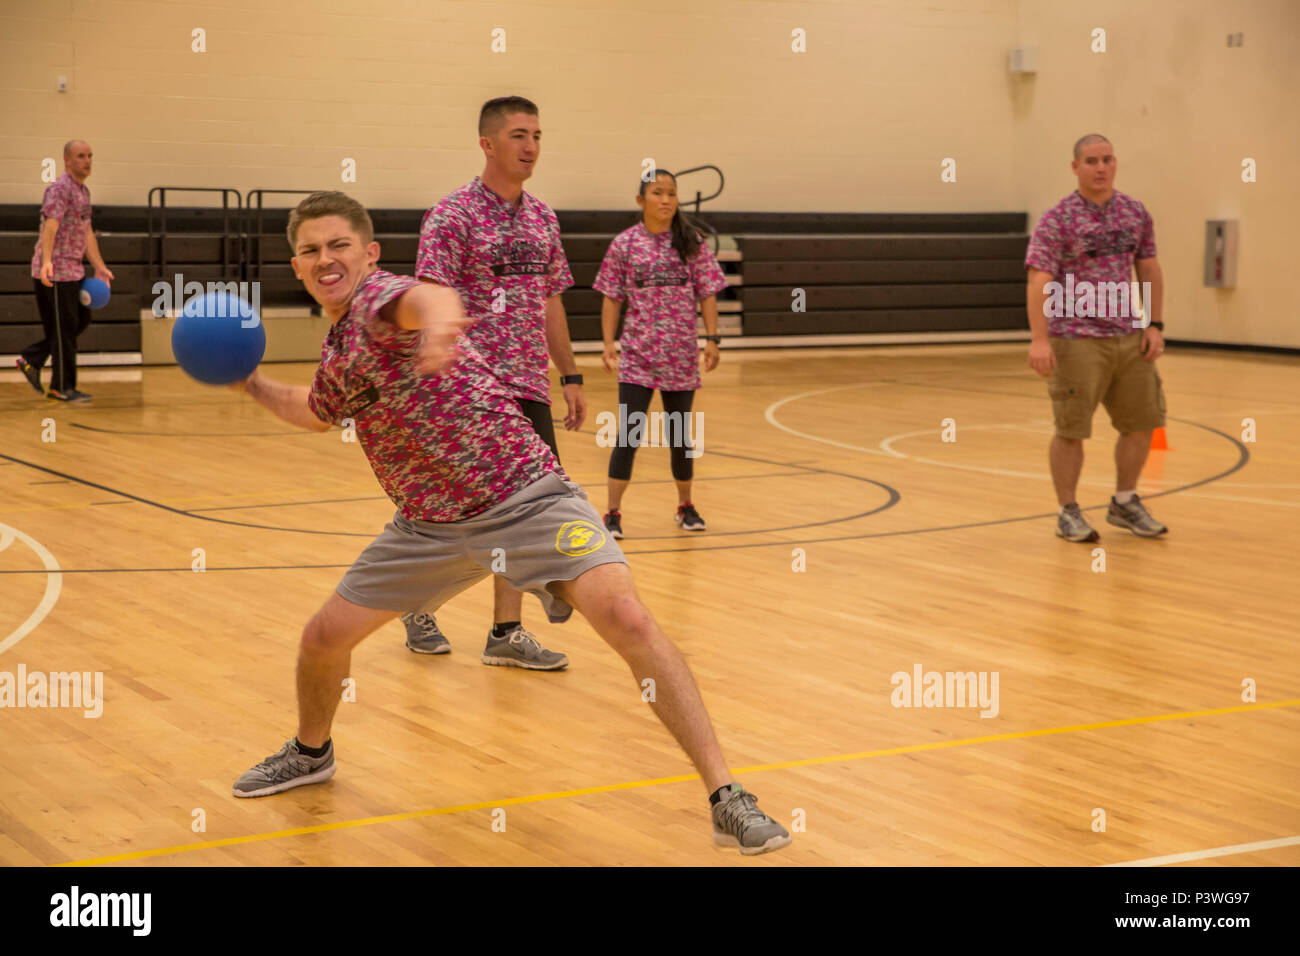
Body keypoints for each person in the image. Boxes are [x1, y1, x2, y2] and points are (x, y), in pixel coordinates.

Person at [229, 191, 791, 856]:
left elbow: (428, 299)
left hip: (528, 499)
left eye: (338, 244)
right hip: (429, 526)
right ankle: (311, 751)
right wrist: (250, 383)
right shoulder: (340, 346)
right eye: (310, 250)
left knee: (630, 619)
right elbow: (319, 411)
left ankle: (728, 796)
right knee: (323, 638)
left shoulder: (386, 296)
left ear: (369, 253)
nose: (326, 258)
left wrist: (439, 325)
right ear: (296, 266)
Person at [399, 96, 582, 667]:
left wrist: (570, 374)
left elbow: (551, 302)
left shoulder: (544, 217)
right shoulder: (451, 216)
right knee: (452, 511)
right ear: (488, 144)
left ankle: (506, 631)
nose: (531, 147)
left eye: (537, 136)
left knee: (528, 508)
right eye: (519, 136)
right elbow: (430, 302)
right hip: (470, 391)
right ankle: (413, 600)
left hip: (528, 386)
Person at [1025, 134, 1168, 542]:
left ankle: (1125, 502)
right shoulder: (1059, 219)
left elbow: (1150, 268)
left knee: (1143, 423)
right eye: (1091, 161)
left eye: (1106, 159)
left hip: (1129, 337)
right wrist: (1040, 339)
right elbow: (1039, 279)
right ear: (1076, 168)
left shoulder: (1135, 213)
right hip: (1076, 339)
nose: (1100, 167)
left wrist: (1154, 324)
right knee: (1072, 429)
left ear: (1115, 163)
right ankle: (1067, 511)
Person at [592, 169, 727, 538]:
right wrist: (608, 344)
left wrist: (712, 339)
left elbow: (708, 292)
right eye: (657, 193)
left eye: (671, 193)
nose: (666, 200)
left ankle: (685, 505)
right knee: (629, 435)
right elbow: (611, 297)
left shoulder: (690, 241)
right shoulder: (624, 244)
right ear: (641, 201)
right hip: (638, 357)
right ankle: (612, 512)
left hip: (681, 356)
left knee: (681, 435)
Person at [17, 140, 114, 402]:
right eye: (81, 156)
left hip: (74, 270)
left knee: (79, 322)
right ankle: (62, 387)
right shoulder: (60, 189)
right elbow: (51, 227)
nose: (87, 161)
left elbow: (86, 232)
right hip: (55, 272)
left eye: (90, 156)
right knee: (64, 330)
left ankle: (32, 359)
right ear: (68, 160)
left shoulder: (83, 192)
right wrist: (47, 261)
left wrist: (99, 266)